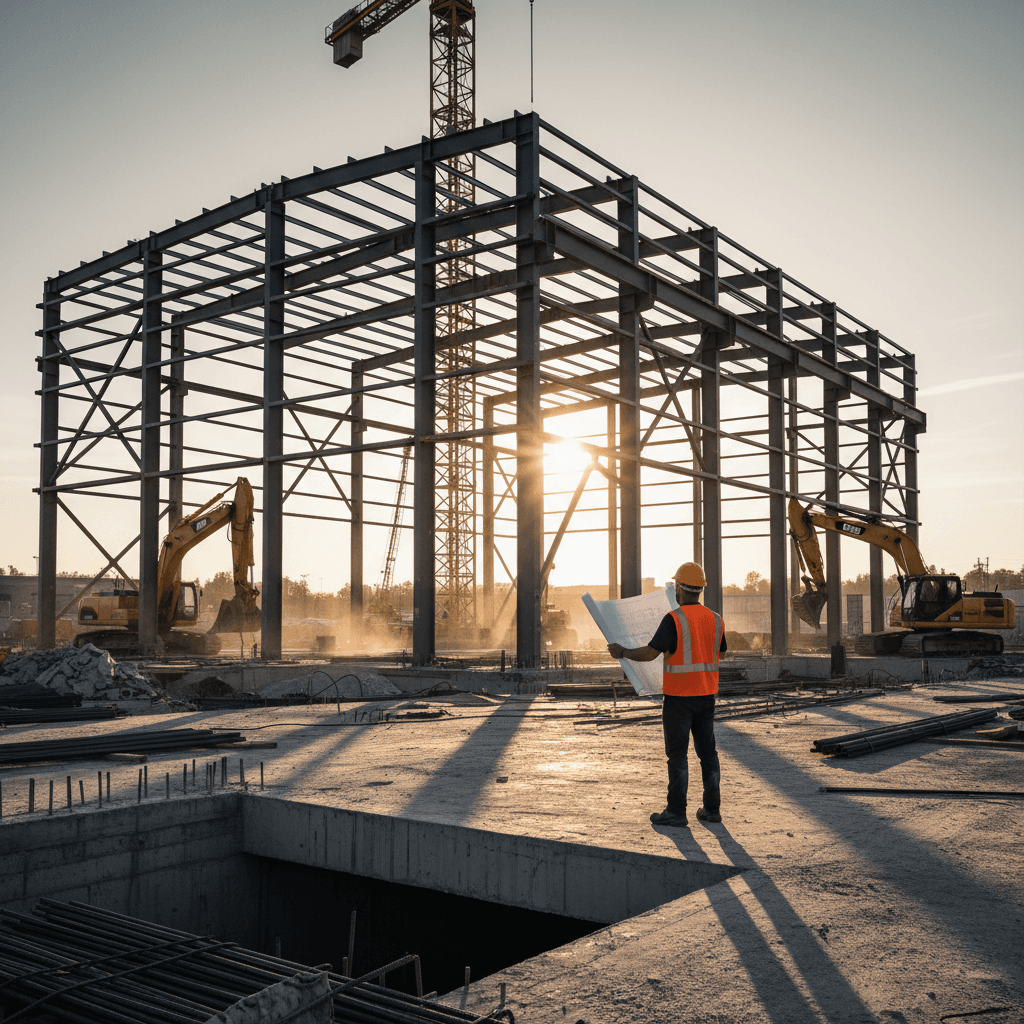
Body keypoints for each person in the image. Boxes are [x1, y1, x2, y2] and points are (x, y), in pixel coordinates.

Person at [607, 561, 727, 828]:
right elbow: (720, 652)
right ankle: (712, 810)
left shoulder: (674, 619)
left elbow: (650, 653)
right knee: (708, 754)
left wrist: (622, 651)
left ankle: (676, 812)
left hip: (679, 699)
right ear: (700, 589)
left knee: (677, 756)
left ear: (680, 589)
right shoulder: (716, 619)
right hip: (706, 696)